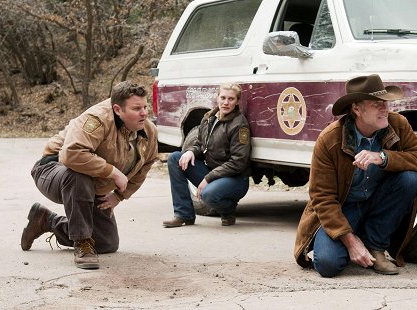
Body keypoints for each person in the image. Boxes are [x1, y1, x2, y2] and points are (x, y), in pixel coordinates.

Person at [294, 74, 417, 277]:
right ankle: (355, 239)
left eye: (385, 103)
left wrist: (383, 157)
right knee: (328, 265)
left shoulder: (398, 124)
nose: (385, 108)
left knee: (410, 179)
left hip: (378, 202)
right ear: (357, 109)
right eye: (376, 104)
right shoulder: (329, 139)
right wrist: (350, 241)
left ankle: (375, 245)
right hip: (343, 209)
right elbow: (322, 198)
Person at [21, 81, 158, 269]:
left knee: (106, 242)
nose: (144, 113)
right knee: (78, 174)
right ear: (118, 109)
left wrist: (119, 196)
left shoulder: (148, 131)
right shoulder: (97, 119)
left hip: (92, 184)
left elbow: (146, 164)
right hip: (53, 170)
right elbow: (71, 155)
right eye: (136, 108)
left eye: (145, 106)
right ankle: (82, 243)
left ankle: (46, 220)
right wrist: (113, 172)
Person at [163, 83, 251, 228]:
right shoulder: (209, 117)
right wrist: (191, 151)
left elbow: (238, 162)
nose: (226, 102)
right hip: (213, 173)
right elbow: (199, 143)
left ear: (237, 101)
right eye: (223, 97)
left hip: (235, 178)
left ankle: (228, 211)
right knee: (175, 158)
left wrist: (207, 179)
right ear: (217, 97)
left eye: (231, 99)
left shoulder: (239, 125)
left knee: (208, 194)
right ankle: (183, 215)